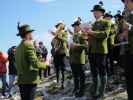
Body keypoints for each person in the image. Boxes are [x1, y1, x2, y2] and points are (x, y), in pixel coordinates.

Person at [15, 23, 47, 100]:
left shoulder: (18, 47)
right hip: (29, 80)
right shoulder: (28, 44)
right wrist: (46, 64)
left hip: (21, 80)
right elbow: (35, 63)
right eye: (31, 32)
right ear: (27, 34)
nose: (32, 34)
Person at [87, 2, 111, 99]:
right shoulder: (92, 24)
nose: (94, 13)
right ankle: (96, 92)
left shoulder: (106, 22)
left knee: (102, 72)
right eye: (94, 12)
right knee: (94, 72)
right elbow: (90, 37)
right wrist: (85, 34)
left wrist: (91, 32)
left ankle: (102, 93)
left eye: (96, 12)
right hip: (91, 51)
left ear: (101, 13)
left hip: (101, 51)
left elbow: (105, 35)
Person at [69, 20, 87, 97]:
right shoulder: (72, 36)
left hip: (80, 59)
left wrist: (76, 45)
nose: (74, 27)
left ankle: (81, 91)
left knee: (81, 77)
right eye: (74, 26)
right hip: (72, 60)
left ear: (80, 27)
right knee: (75, 77)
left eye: (76, 26)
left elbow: (86, 45)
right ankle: (76, 90)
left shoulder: (82, 35)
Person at [121, 0, 133, 100]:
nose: (125, 4)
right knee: (129, 79)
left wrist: (129, 27)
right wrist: (122, 35)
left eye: (127, 1)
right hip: (128, 51)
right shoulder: (127, 17)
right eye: (124, 2)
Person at [51, 21, 68, 89]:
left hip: (62, 52)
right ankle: (58, 82)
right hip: (56, 54)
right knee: (57, 68)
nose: (59, 26)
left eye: (60, 25)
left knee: (63, 68)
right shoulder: (55, 34)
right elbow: (52, 43)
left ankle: (63, 83)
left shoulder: (64, 33)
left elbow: (65, 40)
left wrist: (57, 36)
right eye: (58, 25)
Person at [104, 12, 116, 77]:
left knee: (111, 58)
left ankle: (112, 71)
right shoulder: (104, 24)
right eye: (106, 17)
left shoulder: (112, 24)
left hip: (110, 44)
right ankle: (107, 72)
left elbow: (113, 31)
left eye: (109, 17)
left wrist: (107, 31)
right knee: (105, 59)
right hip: (105, 44)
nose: (108, 18)